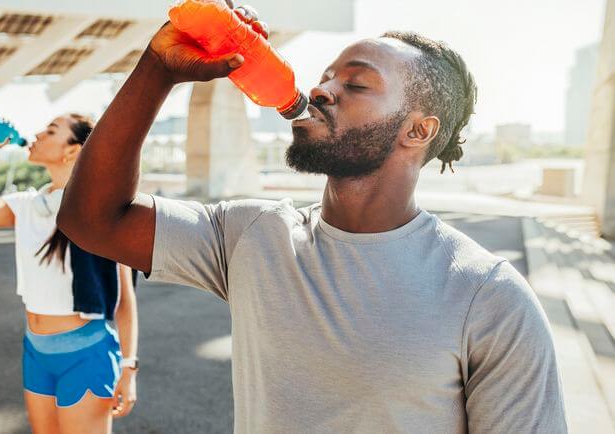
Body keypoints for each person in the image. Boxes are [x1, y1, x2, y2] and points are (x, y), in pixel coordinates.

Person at [57, 4, 567, 433]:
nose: (321, 90)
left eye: (357, 84)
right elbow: (92, 221)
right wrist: (158, 68)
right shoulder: (251, 235)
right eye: (325, 77)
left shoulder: (490, 297)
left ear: (417, 131)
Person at [0, 114, 138, 434]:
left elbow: (125, 298)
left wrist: (129, 367)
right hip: (37, 351)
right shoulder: (27, 206)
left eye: (51, 130)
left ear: (72, 151)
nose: (38, 133)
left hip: (87, 353)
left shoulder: (99, 208)